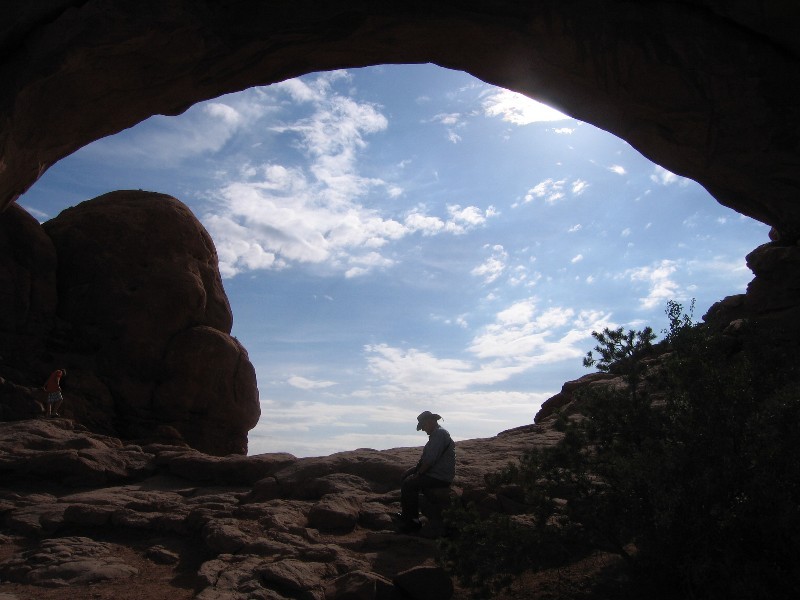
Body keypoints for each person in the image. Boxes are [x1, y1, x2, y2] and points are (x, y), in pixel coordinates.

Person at [396, 410, 456, 532]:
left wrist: (418, 474)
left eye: (423, 426)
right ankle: (407, 514)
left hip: (439, 476)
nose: (423, 429)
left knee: (409, 484)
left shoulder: (439, 435)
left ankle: (412, 521)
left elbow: (430, 460)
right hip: (435, 473)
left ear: (430, 422)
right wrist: (416, 471)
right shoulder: (436, 434)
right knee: (405, 476)